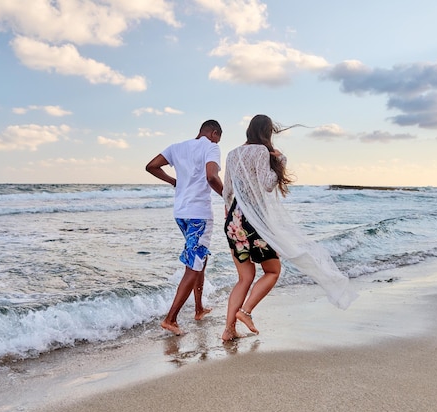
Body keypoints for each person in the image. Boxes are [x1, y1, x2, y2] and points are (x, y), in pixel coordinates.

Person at [221, 114, 357, 341]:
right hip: (255, 219)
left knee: (244, 278)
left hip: (234, 221)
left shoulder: (232, 154)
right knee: (272, 271)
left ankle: (228, 330)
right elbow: (266, 184)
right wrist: (281, 161)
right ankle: (245, 312)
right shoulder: (262, 152)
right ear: (266, 132)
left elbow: (227, 191)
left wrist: (230, 215)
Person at [145, 120, 224, 336]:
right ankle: (171, 319)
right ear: (214, 133)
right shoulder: (211, 147)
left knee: (200, 259)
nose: (218, 141)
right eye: (218, 137)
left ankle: (198, 309)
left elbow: (151, 166)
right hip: (199, 215)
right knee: (193, 264)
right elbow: (211, 176)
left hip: (181, 213)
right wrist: (228, 197)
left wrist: (174, 181)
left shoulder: (176, 147)